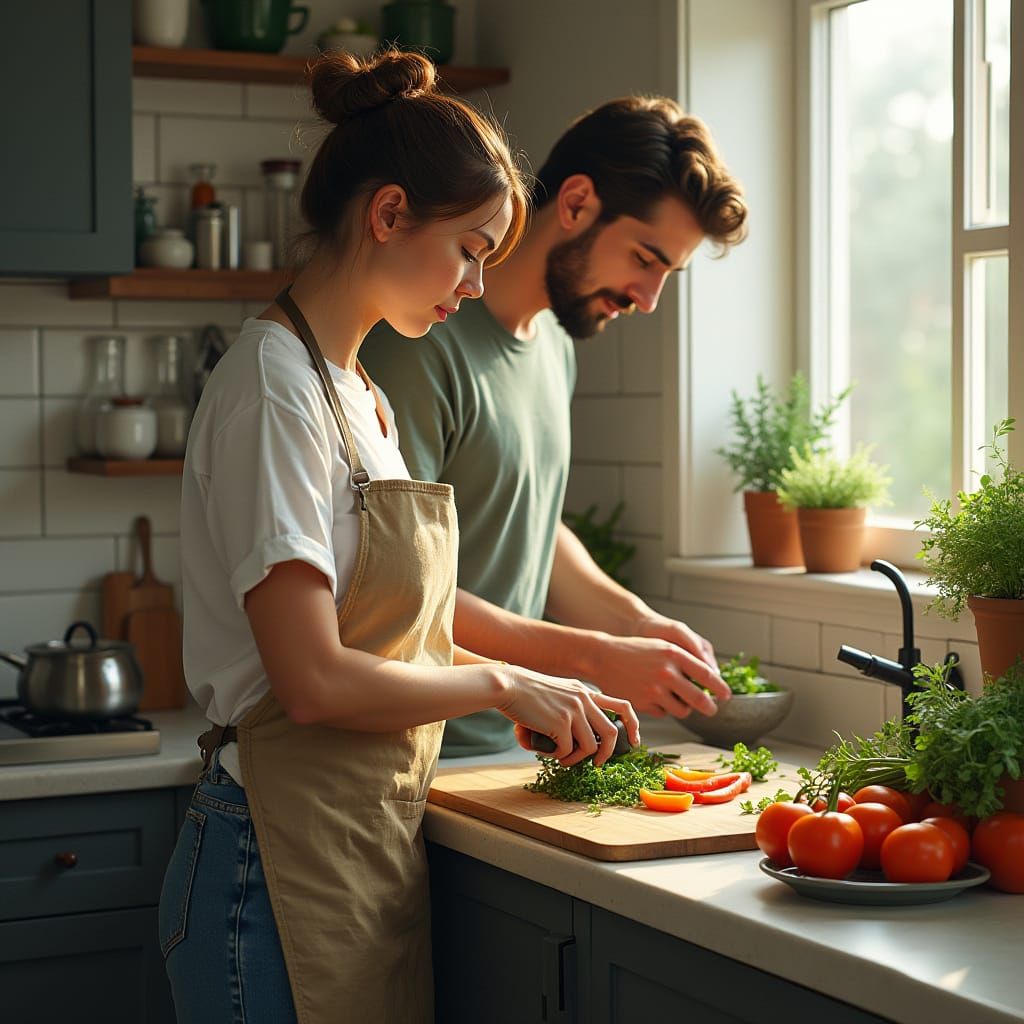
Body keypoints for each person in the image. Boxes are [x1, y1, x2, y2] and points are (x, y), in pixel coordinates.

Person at [158, 50, 640, 1024]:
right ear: (388, 215)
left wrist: (553, 681)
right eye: (469, 246)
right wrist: (505, 681)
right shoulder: (273, 390)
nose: (472, 284)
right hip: (265, 863)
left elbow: (388, 637)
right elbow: (316, 679)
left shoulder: (360, 394)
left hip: (351, 852)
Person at [361, 96, 749, 757]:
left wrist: (639, 626)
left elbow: (525, 517)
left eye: (668, 276)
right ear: (576, 204)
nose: (648, 299)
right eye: (646, 259)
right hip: (410, 754)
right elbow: (397, 585)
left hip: (502, 743)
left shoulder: (553, 347)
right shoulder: (420, 343)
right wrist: (597, 658)